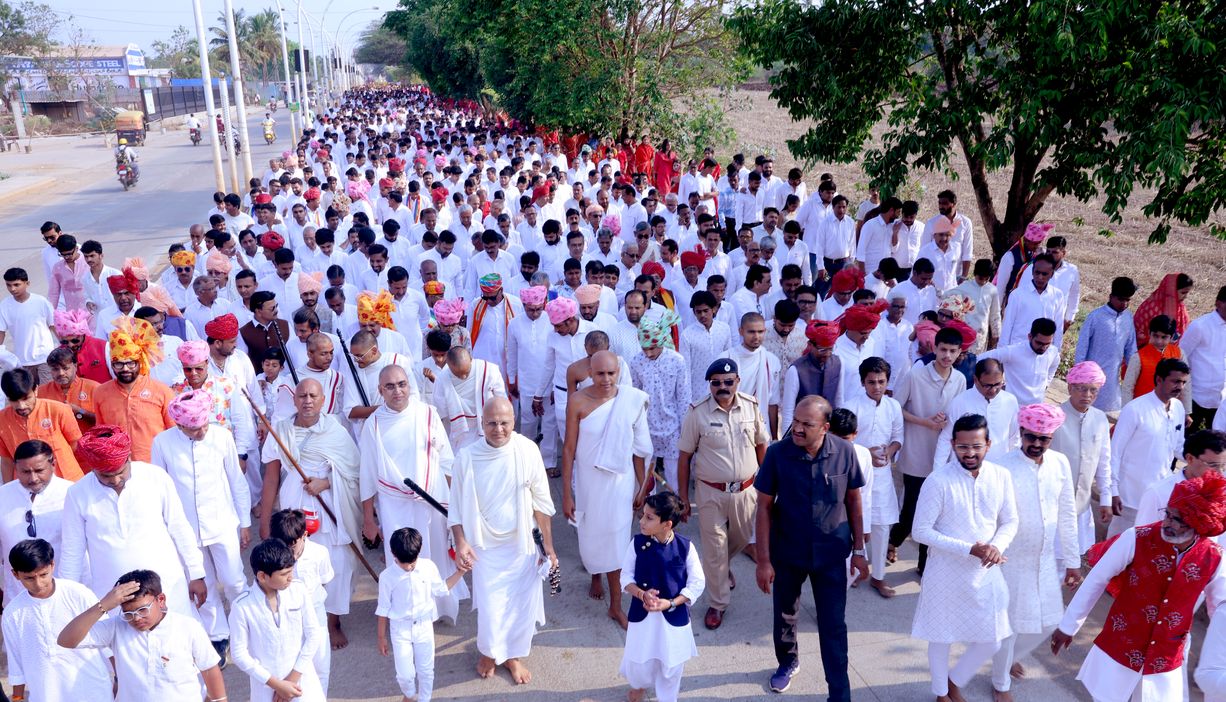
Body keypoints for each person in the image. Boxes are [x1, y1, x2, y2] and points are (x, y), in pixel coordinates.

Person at [1051, 471, 1226, 702]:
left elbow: (1220, 607)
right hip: (1120, 647)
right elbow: (1097, 579)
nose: (1167, 523)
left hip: (1165, 658)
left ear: (1198, 527)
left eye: (1177, 520)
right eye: (1168, 514)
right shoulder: (1137, 538)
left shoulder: (1213, 557)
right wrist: (1068, 626)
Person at [754, 396, 867, 697]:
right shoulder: (777, 454)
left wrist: (859, 550)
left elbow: (854, 501)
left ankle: (839, 691)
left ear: (825, 428)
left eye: (807, 424)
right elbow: (763, 507)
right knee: (785, 615)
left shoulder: (845, 452)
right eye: (796, 421)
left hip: (831, 555)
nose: (798, 428)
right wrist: (763, 561)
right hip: (787, 552)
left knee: (833, 625)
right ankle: (787, 663)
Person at [911, 413, 1019, 702]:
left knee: (992, 640)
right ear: (952, 444)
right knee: (941, 635)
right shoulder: (938, 481)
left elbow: (1010, 521)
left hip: (984, 572)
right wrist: (969, 548)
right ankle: (941, 693)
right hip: (945, 570)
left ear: (988, 444)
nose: (970, 453)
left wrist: (997, 546)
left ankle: (955, 679)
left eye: (976, 446)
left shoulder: (1001, 476)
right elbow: (920, 531)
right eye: (963, 447)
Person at [449, 397, 557, 684]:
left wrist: (548, 547)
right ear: (481, 424)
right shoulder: (467, 457)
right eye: (492, 423)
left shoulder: (527, 450)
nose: (499, 429)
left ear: (514, 422)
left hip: (522, 544)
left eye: (505, 423)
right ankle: (488, 651)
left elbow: (542, 504)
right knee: (491, 604)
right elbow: (456, 506)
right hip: (484, 546)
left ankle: (512, 656)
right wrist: (461, 542)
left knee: (521, 603)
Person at [61, 425, 207, 617]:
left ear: (128, 457)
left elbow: (179, 526)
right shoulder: (77, 493)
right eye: (105, 475)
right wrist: (64, 599)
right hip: (112, 594)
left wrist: (196, 573)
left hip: (167, 585)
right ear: (93, 468)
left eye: (120, 472)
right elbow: (72, 550)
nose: (115, 480)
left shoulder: (155, 478)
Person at [359, 365, 466, 623]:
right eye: (390, 386)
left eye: (402, 384)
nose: (398, 391)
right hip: (394, 504)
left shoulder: (427, 413)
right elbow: (367, 473)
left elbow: (447, 461)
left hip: (431, 499)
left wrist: (455, 509)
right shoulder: (373, 424)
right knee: (402, 558)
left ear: (409, 385)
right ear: (380, 391)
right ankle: (408, 613)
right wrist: (369, 519)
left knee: (436, 553)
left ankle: (438, 608)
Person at [150, 389, 250, 661]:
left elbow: (236, 481)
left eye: (205, 423)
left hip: (222, 523)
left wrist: (245, 523)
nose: (202, 430)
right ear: (180, 425)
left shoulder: (222, 436)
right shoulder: (162, 443)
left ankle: (247, 628)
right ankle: (218, 636)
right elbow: (159, 488)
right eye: (194, 428)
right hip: (186, 531)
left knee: (234, 580)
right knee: (201, 587)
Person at [991, 403, 1080, 701]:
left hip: (1043, 558)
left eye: (1044, 439)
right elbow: (992, 516)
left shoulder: (1060, 463)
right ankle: (1000, 681)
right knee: (1013, 624)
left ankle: (1008, 657)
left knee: (1050, 621)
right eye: (1031, 437)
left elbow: (1067, 512)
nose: (1037, 444)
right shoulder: (1003, 466)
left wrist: (1072, 562)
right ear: (1021, 433)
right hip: (1011, 558)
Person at [677, 358, 769, 630]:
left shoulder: (751, 408)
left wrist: (769, 487)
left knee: (739, 540)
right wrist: (684, 498)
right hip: (710, 493)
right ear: (710, 385)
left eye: (728, 382)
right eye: (716, 383)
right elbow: (684, 458)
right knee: (715, 548)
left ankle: (720, 568)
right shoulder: (697, 413)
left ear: (737, 382)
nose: (723, 387)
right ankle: (718, 603)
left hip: (747, 491)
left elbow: (762, 446)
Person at [562, 350, 653, 626]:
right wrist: (566, 493)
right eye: (600, 373)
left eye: (611, 373)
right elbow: (568, 449)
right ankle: (594, 574)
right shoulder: (577, 401)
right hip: (589, 481)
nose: (606, 379)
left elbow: (641, 449)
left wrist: (642, 489)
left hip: (620, 483)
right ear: (590, 372)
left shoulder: (631, 400)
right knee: (591, 536)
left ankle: (616, 605)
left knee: (615, 540)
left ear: (618, 372)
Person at [57, 569, 226, 702]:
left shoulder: (187, 627)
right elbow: (66, 640)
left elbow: (209, 668)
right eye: (128, 613)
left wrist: (219, 700)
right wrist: (103, 605)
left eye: (142, 610)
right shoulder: (116, 627)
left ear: (161, 599)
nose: (136, 618)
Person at [889, 326, 967, 574]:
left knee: (934, 513)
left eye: (952, 351)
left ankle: (924, 564)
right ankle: (893, 540)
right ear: (934, 348)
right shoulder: (915, 376)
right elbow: (895, 408)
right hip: (915, 454)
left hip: (943, 456)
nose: (946, 355)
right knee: (912, 508)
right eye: (943, 349)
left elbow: (959, 415)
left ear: (959, 353)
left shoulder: (960, 380)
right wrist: (925, 422)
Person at [2, 538, 114, 702]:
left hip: (94, 692)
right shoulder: (12, 613)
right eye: (29, 578)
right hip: (45, 696)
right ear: (15, 574)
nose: (39, 584)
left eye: (43, 575)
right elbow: (15, 663)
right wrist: (17, 698)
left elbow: (109, 643)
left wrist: (120, 681)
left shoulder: (78, 594)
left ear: (52, 565)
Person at [620, 492, 706, 702]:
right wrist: (641, 594)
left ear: (667, 524)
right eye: (643, 515)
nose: (641, 521)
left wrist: (671, 603)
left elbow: (697, 583)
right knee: (639, 661)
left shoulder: (685, 547)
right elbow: (626, 576)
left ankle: (668, 698)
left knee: (672, 663)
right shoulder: (637, 544)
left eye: (649, 518)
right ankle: (639, 685)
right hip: (643, 613)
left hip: (673, 616)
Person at [376, 527, 469, 702]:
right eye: (405, 563)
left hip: (424, 625)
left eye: (413, 561)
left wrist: (460, 572)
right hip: (400, 629)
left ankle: (424, 699)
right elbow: (383, 609)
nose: (410, 566)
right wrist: (381, 637)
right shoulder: (387, 577)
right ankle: (409, 696)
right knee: (405, 675)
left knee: (426, 670)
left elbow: (441, 589)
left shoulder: (428, 567)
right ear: (393, 554)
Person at [228, 538, 325, 702]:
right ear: (262, 576)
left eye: (291, 571)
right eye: (284, 574)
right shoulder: (242, 607)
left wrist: (291, 681)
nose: (290, 577)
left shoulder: (298, 590)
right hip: (266, 689)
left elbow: (313, 634)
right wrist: (276, 685)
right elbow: (239, 654)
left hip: (302, 681)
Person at [841, 358, 904, 597]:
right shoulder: (851, 406)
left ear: (887, 381)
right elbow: (843, 442)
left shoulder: (893, 406)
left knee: (881, 525)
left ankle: (878, 576)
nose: (876, 386)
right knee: (854, 523)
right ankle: (854, 571)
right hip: (857, 473)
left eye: (881, 381)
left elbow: (898, 436)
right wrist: (867, 453)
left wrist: (889, 451)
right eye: (871, 382)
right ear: (862, 382)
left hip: (883, 475)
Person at [1108, 358, 1190, 538]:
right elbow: (1114, 453)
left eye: (1183, 382)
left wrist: (1198, 458)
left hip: (1160, 495)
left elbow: (1177, 446)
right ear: (1159, 379)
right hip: (1129, 496)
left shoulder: (1177, 408)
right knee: (1117, 546)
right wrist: (1112, 491)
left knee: (1147, 548)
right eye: (1176, 381)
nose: (1180, 387)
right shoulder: (1135, 410)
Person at [1051, 361, 1115, 554]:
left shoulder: (1100, 419)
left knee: (1074, 558)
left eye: (1093, 390)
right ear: (1070, 387)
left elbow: (1104, 462)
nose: (1087, 395)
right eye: (1082, 389)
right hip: (1053, 503)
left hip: (1081, 503)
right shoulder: (1055, 416)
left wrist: (1106, 499)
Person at [0, 440, 72, 606]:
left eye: (39, 471)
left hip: (66, 595)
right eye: (25, 472)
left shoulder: (71, 493)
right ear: (16, 468)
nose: (33, 478)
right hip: (18, 597)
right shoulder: (3, 495)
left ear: (53, 464)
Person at [93, 317, 175, 462]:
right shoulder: (100, 393)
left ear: (140, 362)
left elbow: (174, 432)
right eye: (119, 364)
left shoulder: (162, 391)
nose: (125, 369)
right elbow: (101, 432)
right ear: (112, 365)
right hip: (119, 467)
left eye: (131, 363)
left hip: (156, 464)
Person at [629, 314, 692, 491]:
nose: (649, 353)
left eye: (653, 348)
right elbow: (634, 396)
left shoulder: (676, 360)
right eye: (645, 348)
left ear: (662, 342)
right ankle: (650, 506)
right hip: (646, 425)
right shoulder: (636, 361)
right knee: (648, 470)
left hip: (672, 426)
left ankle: (675, 505)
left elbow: (683, 396)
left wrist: (685, 428)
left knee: (674, 471)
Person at [932, 358, 1020, 470]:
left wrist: (1012, 468)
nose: (993, 390)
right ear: (975, 380)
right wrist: (937, 472)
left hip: (998, 470)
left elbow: (1014, 438)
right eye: (987, 385)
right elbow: (945, 439)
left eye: (998, 384)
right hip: (962, 471)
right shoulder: (960, 402)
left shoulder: (1010, 401)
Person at [0, 368, 85, 482]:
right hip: (28, 484)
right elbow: (7, 460)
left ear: (35, 391)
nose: (21, 406)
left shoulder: (58, 410)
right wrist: (8, 490)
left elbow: (77, 446)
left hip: (66, 480)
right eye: (14, 400)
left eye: (26, 398)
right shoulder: (2, 419)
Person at [506, 285, 557, 468]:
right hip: (527, 383)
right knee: (527, 422)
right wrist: (511, 380)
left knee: (549, 424)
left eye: (538, 309)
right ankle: (526, 462)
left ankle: (548, 463)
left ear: (544, 303)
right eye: (530, 309)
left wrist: (556, 384)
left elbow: (556, 355)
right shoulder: (515, 324)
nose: (535, 313)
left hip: (550, 384)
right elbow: (511, 354)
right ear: (524, 305)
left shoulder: (552, 321)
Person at [1134, 429, 1226, 526]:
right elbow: (1142, 535)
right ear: (1190, 458)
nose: (1220, 472)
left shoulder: (1221, 493)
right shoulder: (1158, 493)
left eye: (1223, 466)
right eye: (1213, 465)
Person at [1073, 276, 1139, 411]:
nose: (1124, 304)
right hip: (1090, 377)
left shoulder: (1128, 318)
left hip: (1112, 381)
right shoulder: (1095, 316)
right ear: (1111, 297)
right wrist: (1079, 374)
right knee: (1084, 410)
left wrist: (1135, 371)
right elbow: (1082, 347)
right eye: (1121, 299)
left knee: (1106, 415)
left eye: (1128, 300)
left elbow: (1131, 349)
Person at [433, 346, 507, 449]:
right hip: (460, 432)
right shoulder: (442, 379)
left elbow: (501, 399)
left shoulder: (489, 370)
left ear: (471, 360)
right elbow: (441, 410)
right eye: (458, 374)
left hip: (489, 426)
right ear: (449, 366)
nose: (463, 377)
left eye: (466, 372)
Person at [722, 312, 781, 436]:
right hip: (729, 427)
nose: (756, 336)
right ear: (741, 331)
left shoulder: (771, 361)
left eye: (760, 332)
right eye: (751, 332)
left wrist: (774, 437)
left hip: (760, 428)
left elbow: (772, 403)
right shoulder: (726, 358)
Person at [979, 317, 1061, 406]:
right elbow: (979, 358)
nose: (1043, 347)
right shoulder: (1013, 351)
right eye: (1039, 343)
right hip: (1012, 406)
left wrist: (1047, 383)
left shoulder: (1053, 351)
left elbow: (1054, 364)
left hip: (1036, 408)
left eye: (1047, 344)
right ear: (1030, 337)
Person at [1180, 284, 1226, 431]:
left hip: (1220, 399)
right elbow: (1181, 356)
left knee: (1215, 446)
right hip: (1196, 396)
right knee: (1187, 442)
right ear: (1218, 303)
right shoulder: (1200, 326)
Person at [0, 267, 57, 385]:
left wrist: (65, 346)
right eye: (8, 285)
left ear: (27, 283)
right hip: (22, 361)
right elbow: (1, 332)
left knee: (47, 392)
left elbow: (54, 326)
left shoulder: (41, 302)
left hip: (45, 358)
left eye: (16, 284)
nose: (12, 289)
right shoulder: (5, 305)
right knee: (29, 394)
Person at [1121, 314, 1188, 408]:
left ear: (1172, 337)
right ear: (1149, 333)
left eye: (1164, 337)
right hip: (1142, 409)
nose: (1159, 341)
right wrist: (1126, 411)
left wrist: (1187, 411)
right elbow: (1128, 387)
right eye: (1155, 336)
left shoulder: (1179, 354)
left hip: (1169, 408)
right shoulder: (1138, 357)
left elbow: (1186, 384)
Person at [38, 345, 98, 433]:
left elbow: (106, 420)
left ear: (75, 366)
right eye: (55, 369)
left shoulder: (94, 388)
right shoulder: (41, 392)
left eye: (65, 368)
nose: (61, 373)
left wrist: (79, 411)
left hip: (90, 443)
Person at [1132, 272, 1193, 348]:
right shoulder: (1150, 307)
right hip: (1146, 352)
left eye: (1187, 293)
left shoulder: (1181, 308)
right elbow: (1138, 333)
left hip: (1172, 354)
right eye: (1183, 292)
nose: (1186, 296)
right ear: (1172, 290)